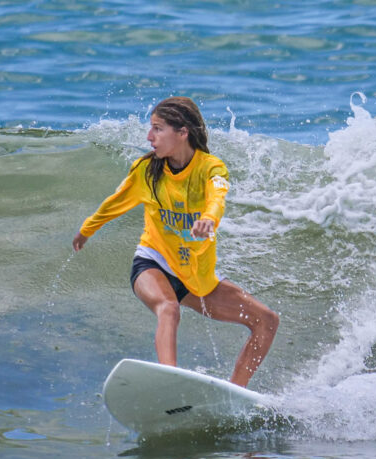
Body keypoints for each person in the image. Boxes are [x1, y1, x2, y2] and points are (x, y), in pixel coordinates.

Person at [72, 97, 279, 387]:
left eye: (158, 129)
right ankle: (170, 382)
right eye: (150, 128)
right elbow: (115, 203)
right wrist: (86, 230)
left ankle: (234, 393)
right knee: (168, 308)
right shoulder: (146, 171)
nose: (149, 136)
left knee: (267, 321)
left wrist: (209, 218)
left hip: (194, 275)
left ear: (182, 132)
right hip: (152, 262)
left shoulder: (211, 168)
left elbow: (217, 197)